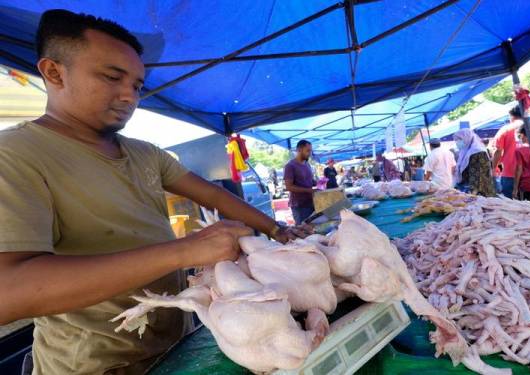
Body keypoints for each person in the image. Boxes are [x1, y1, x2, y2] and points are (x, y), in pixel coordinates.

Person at [0, 10, 310, 375]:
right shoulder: (16, 156)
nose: (129, 96)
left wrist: (276, 229)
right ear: (54, 72)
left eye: (137, 85)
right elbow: (9, 291)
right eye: (112, 77)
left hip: (177, 345)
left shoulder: (144, 153)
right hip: (95, 365)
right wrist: (183, 251)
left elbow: (212, 195)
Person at [492, 105, 530, 198]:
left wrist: (493, 168)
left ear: (511, 116)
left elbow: (498, 151)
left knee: (512, 207)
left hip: (510, 174)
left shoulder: (505, 129)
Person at [453, 129, 496, 197]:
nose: (457, 142)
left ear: (467, 138)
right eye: (456, 140)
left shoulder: (478, 152)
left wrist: (472, 195)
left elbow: (479, 175)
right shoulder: (465, 152)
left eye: (459, 139)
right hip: (468, 189)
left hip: (479, 192)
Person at [284, 140, 316, 224]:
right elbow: (289, 187)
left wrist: (318, 183)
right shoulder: (290, 166)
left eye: (310, 151)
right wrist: (309, 190)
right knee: (303, 231)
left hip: (311, 203)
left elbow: (309, 181)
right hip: (299, 206)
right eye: (308, 151)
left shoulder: (307, 164)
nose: (310, 153)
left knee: (312, 229)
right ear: (299, 150)